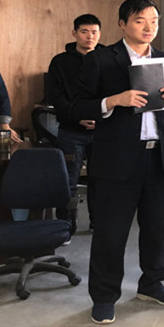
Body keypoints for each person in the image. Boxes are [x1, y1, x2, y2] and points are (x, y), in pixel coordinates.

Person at [70, 0, 164, 325]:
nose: (149, 27)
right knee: (111, 232)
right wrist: (113, 100)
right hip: (117, 159)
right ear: (122, 24)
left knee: (155, 229)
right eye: (139, 20)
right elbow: (77, 105)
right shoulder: (101, 59)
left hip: (157, 157)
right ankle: (104, 296)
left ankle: (152, 284)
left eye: (154, 21)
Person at [46, 13, 104, 235]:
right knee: (68, 180)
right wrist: (77, 117)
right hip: (71, 130)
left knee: (101, 179)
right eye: (84, 31)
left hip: (102, 130)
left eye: (94, 32)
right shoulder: (60, 62)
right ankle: (66, 226)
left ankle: (98, 222)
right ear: (74, 33)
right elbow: (55, 96)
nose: (90, 36)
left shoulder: (107, 58)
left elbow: (115, 93)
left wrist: (100, 118)